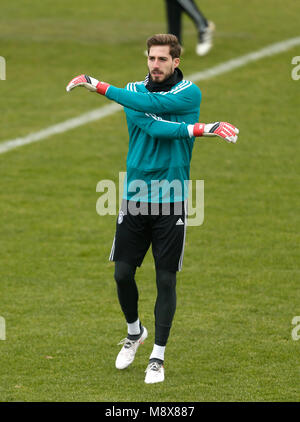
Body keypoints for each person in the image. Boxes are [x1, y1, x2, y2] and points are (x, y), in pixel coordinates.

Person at [66, 34, 238, 384]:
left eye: (162, 59)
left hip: (172, 195)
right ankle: (134, 332)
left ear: (176, 61)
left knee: (165, 278)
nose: (155, 65)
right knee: (122, 274)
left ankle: (157, 356)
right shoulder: (132, 91)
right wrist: (203, 129)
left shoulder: (189, 92)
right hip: (135, 193)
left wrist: (98, 86)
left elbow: (160, 115)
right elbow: (152, 126)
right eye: (151, 58)